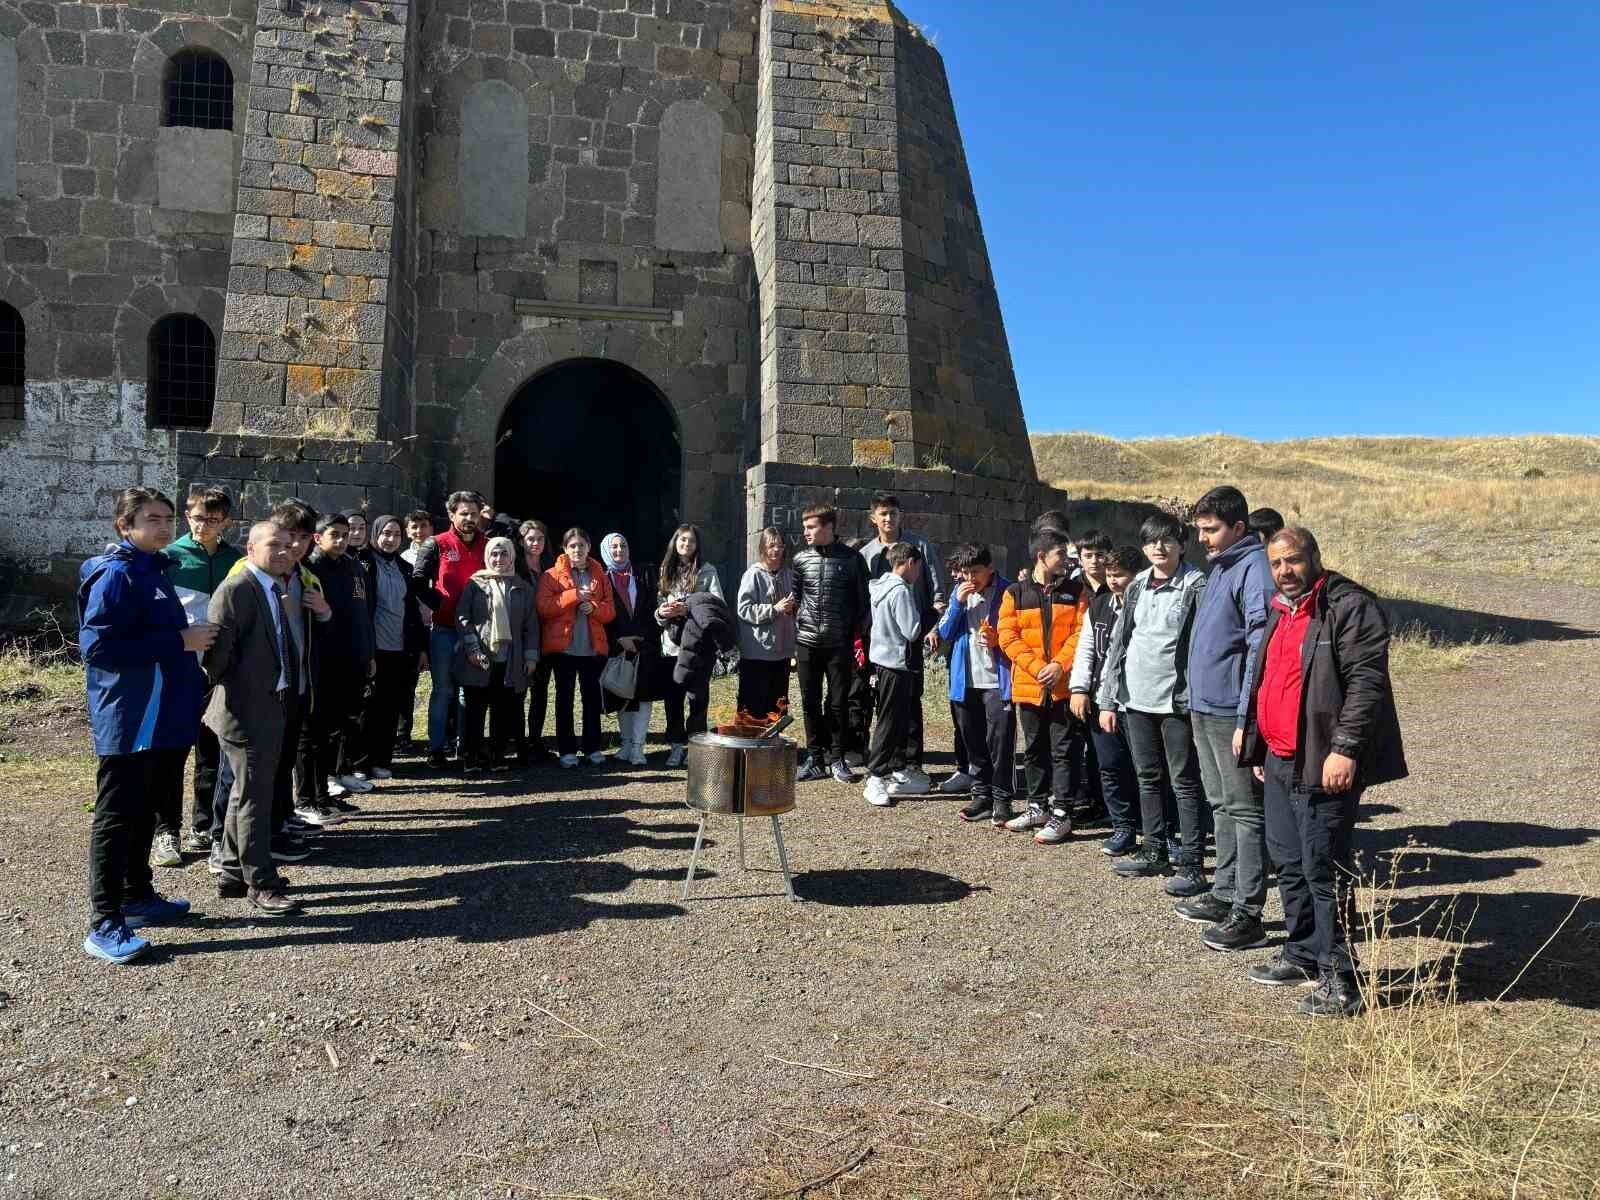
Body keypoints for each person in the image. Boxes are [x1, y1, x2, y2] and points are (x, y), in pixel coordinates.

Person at [1240, 527, 1407, 1018]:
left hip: (1323, 758)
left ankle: (1341, 979)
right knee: (1288, 860)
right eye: (1276, 564)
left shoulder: (1348, 607)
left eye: (1293, 560)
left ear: (1314, 557)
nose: (1285, 571)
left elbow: (1366, 685)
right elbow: (1268, 677)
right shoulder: (1280, 610)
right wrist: (1254, 738)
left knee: (1323, 868)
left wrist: (1345, 749)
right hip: (1279, 757)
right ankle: (1303, 951)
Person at [76, 488, 211, 963]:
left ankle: (137, 897)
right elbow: (99, 649)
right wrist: (180, 639)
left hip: (164, 717)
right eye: (152, 518)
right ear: (124, 524)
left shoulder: (154, 569)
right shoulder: (115, 574)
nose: (163, 526)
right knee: (117, 816)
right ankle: (104, 922)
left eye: (168, 518)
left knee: (145, 808)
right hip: (131, 717)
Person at [1184, 486, 1275, 952]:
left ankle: (1249, 909)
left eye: (1211, 529)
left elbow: (1259, 647)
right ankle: (1224, 892)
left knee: (1244, 809)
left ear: (1239, 528)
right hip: (1204, 706)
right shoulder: (1220, 567)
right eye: (1200, 530)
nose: (1203, 539)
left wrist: (1246, 717)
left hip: (1229, 712)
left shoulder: (1254, 569)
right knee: (1220, 803)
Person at [1097, 513, 1208, 890]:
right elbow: (1120, 642)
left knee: (1184, 781)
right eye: (1151, 541)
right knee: (1147, 776)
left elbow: (1201, 646)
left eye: (1167, 541)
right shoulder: (1137, 585)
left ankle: (1191, 862)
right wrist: (1109, 698)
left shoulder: (1196, 585)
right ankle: (1154, 849)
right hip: (1136, 697)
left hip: (1177, 701)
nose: (1159, 548)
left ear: (1181, 544)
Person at [201, 521, 306, 918]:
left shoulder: (271, 587)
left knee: (243, 794)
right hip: (245, 713)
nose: (284, 551)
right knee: (254, 799)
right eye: (273, 545)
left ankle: (232, 870)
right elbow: (215, 659)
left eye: (288, 544)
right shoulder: (237, 590)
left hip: (269, 707)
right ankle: (261, 882)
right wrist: (242, 698)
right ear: (250, 548)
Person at [162, 484, 243, 861]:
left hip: (219, 670)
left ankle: (204, 826)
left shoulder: (235, 559)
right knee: (172, 752)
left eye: (212, 519)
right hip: (179, 668)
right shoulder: (169, 557)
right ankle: (166, 832)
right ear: (187, 517)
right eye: (197, 518)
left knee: (212, 751)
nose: (203, 525)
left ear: (225, 521)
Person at [997, 527, 1088, 843]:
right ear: (1041, 557)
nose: (1066, 559)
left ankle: (1062, 813)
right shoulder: (1015, 593)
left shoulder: (1076, 592)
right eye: (1060, 554)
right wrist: (1039, 669)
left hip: (1062, 687)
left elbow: (1081, 633)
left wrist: (1060, 666)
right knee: (1034, 749)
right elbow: (1007, 637)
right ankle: (1037, 805)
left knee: (1063, 751)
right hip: (1030, 685)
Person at [858, 494, 945, 794]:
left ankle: (907, 765)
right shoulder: (874, 560)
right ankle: (880, 772)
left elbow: (935, 586)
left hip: (897, 650)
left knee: (908, 707)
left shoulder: (919, 547)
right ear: (874, 518)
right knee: (889, 714)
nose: (888, 519)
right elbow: (910, 628)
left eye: (893, 513)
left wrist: (936, 609)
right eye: (882, 513)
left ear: (901, 515)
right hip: (893, 646)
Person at [1070, 546, 1145, 856]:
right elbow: (1086, 649)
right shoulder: (1099, 605)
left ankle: (1157, 829)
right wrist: (1079, 688)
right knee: (1110, 766)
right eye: (1111, 576)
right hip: (1104, 698)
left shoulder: (1146, 605)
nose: (1114, 582)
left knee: (1146, 769)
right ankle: (1123, 826)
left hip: (1139, 700)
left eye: (1121, 576)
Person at [935, 544, 1015, 826]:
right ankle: (981, 795)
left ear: (990, 568)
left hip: (997, 680)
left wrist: (999, 642)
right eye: (966, 572)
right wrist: (956, 603)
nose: (971, 578)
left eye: (977, 572)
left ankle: (1002, 798)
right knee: (973, 740)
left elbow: (1019, 635)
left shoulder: (1009, 591)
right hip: (965, 680)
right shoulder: (960, 593)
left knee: (1000, 742)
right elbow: (944, 631)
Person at [791, 504, 869, 783]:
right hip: (807, 642)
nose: (806, 532)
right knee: (809, 702)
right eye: (805, 527)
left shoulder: (853, 560)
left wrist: (856, 639)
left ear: (828, 527)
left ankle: (837, 758)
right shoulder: (800, 559)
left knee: (838, 703)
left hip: (840, 643)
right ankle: (814, 758)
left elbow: (863, 604)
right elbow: (798, 596)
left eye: (811, 527)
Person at [305, 512, 377, 817]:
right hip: (326, 661)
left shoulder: (355, 567)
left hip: (356, 658)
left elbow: (365, 613)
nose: (341, 540)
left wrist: (370, 653)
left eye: (345, 534)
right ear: (317, 538)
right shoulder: (311, 568)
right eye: (334, 534)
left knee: (346, 722)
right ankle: (318, 788)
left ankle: (336, 776)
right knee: (321, 729)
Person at [412, 492, 486, 768]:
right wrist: (440, 604)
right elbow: (417, 581)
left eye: (474, 514)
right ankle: (436, 748)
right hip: (444, 629)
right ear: (452, 515)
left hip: (476, 631)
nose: (469, 519)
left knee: (470, 691)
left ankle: (465, 747)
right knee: (443, 691)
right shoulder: (436, 544)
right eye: (464, 513)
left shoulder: (488, 544)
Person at [456, 536, 540, 773]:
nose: (499, 559)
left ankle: (497, 755)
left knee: (502, 711)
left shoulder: (523, 587)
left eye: (504, 554)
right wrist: (472, 649)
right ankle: (471, 757)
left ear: (512, 556)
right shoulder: (475, 584)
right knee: (474, 711)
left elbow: (531, 626)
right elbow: (463, 619)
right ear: (487, 556)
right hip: (479, 659)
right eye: (494, 554)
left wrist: (531, 657)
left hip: (510, 660)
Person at [538, 528, 617, 767]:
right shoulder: (551, 575)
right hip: (564, 649)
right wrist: (573, 596)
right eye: (572, 546)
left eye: (581, 545)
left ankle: (592, 748)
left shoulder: (599, 574)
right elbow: (544, 607)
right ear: (564, 548)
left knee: (592, 700)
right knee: (565, 700)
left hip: (592, 647)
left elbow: (610, 610)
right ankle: (567, 750)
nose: (577, 550)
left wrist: (594, 608)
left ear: (589, 547)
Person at [357, 515, 427, 781]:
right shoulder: (363, 564)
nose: (391, 539)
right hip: (373, 648)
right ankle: (360, 762)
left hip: (400, 648)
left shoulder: (403, 567)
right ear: (376, 534)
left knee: (390, 707)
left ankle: (382, 759)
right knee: (368, 707)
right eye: (386, 533)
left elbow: (412, 609)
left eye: (396, 534)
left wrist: (421, 648)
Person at [654, 523, 723, 768]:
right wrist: (663, 612)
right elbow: (657, 610)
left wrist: (689, 607)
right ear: (675, 542)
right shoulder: (665, 570)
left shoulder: (707, 571)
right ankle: (675, 746)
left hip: (698, 648)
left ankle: (695, 748)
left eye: (691, 541)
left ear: (697, 545)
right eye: (682, 540)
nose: (686, 544)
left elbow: (717, 605)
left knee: (697, 700)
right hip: (671, 647)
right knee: (673, 700)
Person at [863, 542, 924, 807]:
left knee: (894, 720)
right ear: (910, 562)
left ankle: (892, 771)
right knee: (889, 722)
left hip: (883, 663)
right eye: (918, 567)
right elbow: (911, 630)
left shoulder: (879, 587)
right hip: (895, 664)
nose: (918, 574)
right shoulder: (900, 591)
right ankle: (875, 777)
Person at [600, 531, 659, 766]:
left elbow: (652, 606)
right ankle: (625, 744)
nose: (619, 550)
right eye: (613, 547)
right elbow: (601, 614)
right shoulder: (602, 579)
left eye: (623, 545)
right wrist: (617, 639)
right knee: (622, 693)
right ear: (606, 550)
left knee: (643, 696)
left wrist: (642, 638)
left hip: (644, 645)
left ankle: (638, 747)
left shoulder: (643, 574)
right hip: (618, 646)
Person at [736, 527, 797, 720]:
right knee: (754, 705)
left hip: (782, 652)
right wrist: (774, 609)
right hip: (758, 652)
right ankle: (751, 746)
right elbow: (744, 610)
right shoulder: (753, 575)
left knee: (777, 705)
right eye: (771, 545)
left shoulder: (790, 575)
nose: (776, 550)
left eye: (780, 545)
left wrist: (794, 607)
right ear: (763, 548)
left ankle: (773, 746)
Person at [517, 519, 556, 762]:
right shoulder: (515, 565)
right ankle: (519, 743)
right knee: (519, 691)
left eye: (540, 539)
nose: (535, 543)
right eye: (531, 539)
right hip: (521, 636)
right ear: (521, 541)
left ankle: (536, 740)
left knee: (541, 692)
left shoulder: (550, 566)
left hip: (546, 635)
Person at [396, 509, 434, 751]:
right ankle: (403, 734)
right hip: (412, 624)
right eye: (414, 527)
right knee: (406, 683)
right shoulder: (403, 558)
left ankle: (444, 735)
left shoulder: (438, 551)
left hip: (438, 622)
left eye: (423, 526)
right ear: (407, 531)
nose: (419, 531)